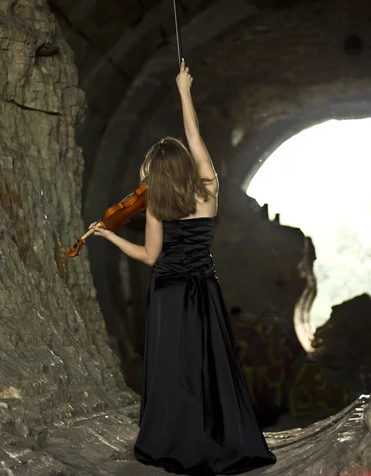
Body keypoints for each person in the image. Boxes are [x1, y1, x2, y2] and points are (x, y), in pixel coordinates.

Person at [90, 60, 276, 475]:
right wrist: (184, 90)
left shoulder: (157, 203)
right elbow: (194, 136)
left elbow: (149, 257)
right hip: (205, 289)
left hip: (169, 291)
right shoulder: (208, 190)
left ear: (156, 174)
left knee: (172, 369)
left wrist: (110, 236)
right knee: (209, 365)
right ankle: (221, 437)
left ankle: (172, 441)